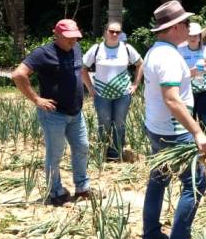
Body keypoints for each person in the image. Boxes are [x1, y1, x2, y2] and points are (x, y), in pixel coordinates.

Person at [140, 0, 206, 239]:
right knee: (194, 185)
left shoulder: (154, 52)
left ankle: (150, 236)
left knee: (157, 180)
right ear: (174, 27)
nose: (189, 28)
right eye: (185, 24)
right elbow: (171, 99)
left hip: (156, 129)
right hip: (175, 132)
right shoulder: (169, 56)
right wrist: (197, 132)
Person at [11, 19, 92, 206]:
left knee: (82, 148)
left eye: (75, 37)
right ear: (57, 35)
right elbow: (18, 74)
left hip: (76, 113)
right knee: (55, 154)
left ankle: (82, 188)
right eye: (68, 38)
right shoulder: (43, 53)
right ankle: (55, 192)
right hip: (54, 114)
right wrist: (36, 99)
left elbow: (78, 73)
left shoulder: (76, 49)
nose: (73, 41)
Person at [81, 21, 143, 162]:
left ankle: (116, 153)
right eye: (111, 31)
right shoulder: (97, 49)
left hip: (123, 94)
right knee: (105, 122)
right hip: (101, 95)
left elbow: (140, 64)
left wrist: (135, 85)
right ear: (105, 32)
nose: (114, 34)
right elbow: (83, 67)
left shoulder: (127, 48)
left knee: (119, 123)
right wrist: (89, 87)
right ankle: (102, 152)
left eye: (117, 32)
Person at [178, 22, 206, 139]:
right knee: (188, 123)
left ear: (200, 37)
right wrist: (192, 71)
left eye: (196, 35)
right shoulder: (179, 51)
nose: (193, 38)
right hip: (186, 92)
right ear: (186, 36)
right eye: (190, 35)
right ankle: (191, 150)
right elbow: (176, 74)